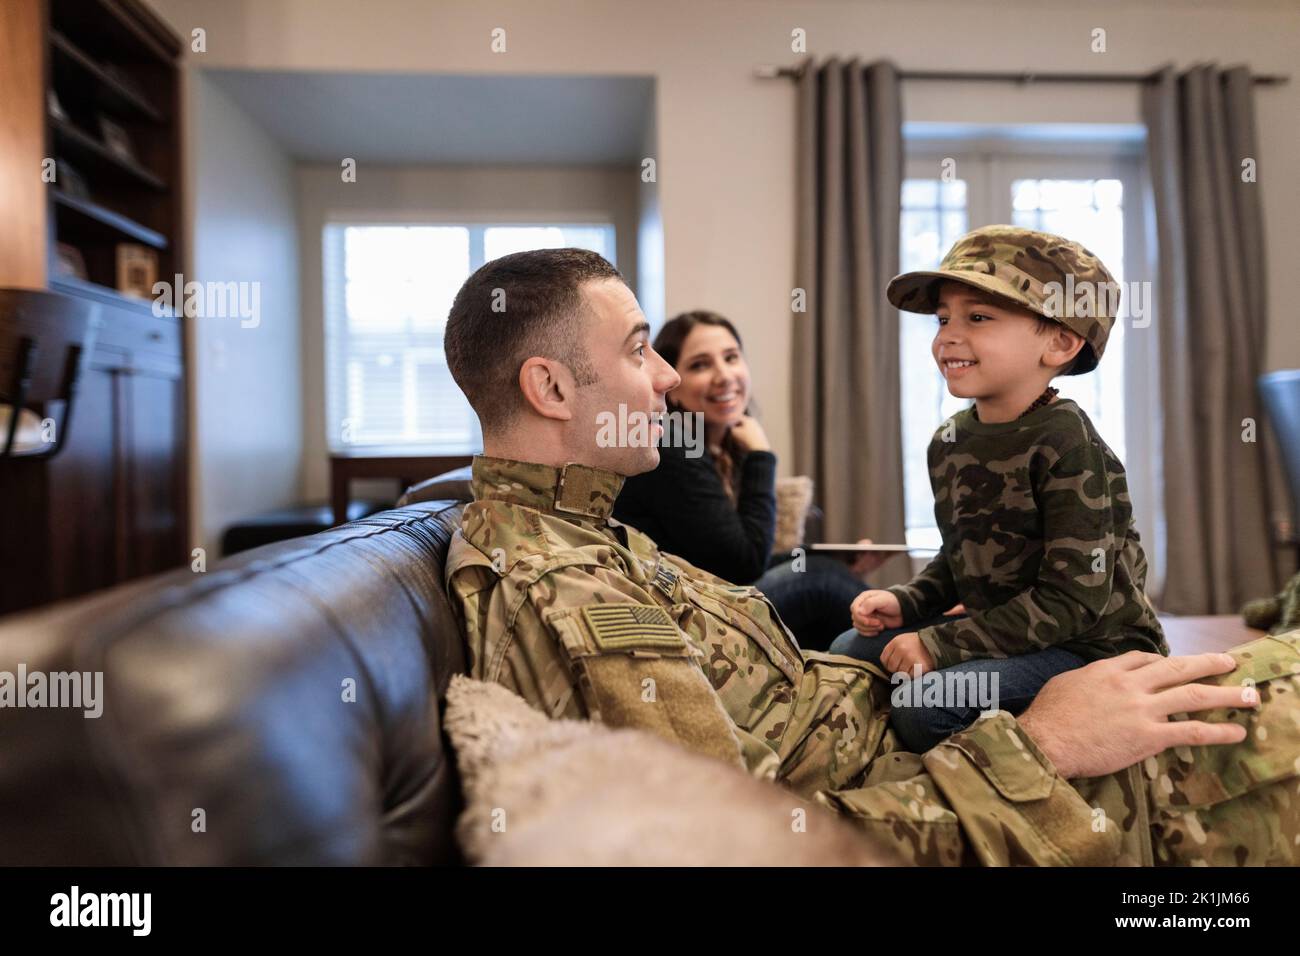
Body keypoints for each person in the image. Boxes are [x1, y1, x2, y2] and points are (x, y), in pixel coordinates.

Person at [441, 246, 1300, 866]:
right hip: (1056, 786)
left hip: (947, 725)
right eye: (639, 350)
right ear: (550, 387)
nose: (667, 378)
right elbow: (753, 840)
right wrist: (1044, 744)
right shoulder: (560, 586)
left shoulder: (588, 529)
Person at [830, 226, 1167, 753]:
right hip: (1005, 631)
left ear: (1060, 342)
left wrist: (938, 644)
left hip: (1090, 646)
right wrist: (906, 602)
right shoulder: (949, 442)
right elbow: (962, 557)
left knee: (925, 705)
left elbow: (1072, 602)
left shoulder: (1068, 443)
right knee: (850, 648)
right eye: (943, 318)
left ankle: (1003, 765)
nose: (947, 337)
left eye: (979, 318)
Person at [613, 310, 881, 650]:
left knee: (825, 570)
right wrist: (761, 457)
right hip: (682, 613)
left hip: (708, 594)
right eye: (700, 365)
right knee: (822, 579)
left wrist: (830, 557)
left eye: (731, 358)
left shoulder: (708, 446)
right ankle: (906, 652)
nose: (724, 376)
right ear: (673, 385)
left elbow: (730, 557)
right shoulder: (675, 444)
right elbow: (743, 565)